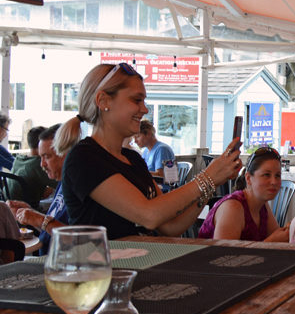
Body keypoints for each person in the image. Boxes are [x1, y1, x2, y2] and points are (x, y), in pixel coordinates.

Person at [57, 63, 243, 240]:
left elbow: (172, 226)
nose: (144, 109)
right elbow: (149, 215)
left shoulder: (133, 159)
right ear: (103, 100)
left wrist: (212, 183)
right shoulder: (84, 158)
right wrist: (208, 176)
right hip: (101, 270)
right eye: (137, 100)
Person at [198, 146, 289, 242]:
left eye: (277, 175)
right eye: (266, 175)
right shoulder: (233, 208)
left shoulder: (262, 204)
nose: (274, 182)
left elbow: (277, 237)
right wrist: (271, 242)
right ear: (248, 178)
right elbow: (224, 254)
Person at [8, 124, 69, 255]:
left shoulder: (78, 187)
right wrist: (30, 214)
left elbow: (79, 240)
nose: (42, 164)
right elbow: (50, 227)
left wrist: (39, 219)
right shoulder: (62, 183)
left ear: (66, 154)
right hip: (46, 259)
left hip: (60, 264)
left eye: (47, 157)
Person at [10, 126, 57, 211]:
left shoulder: (19, 159)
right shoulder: (38, 164)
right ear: (41, 143)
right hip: (28, 210)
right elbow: (61, 185)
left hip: (11, 207)